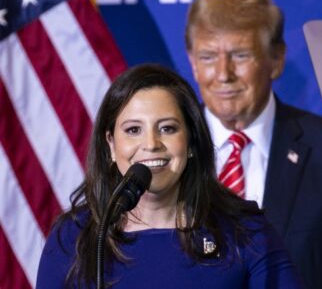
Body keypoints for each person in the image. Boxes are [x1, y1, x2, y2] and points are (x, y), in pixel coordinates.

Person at [185, 0, 322, 289]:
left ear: (276, 59)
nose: (223, 74)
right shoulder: (167, 153)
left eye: (240, 55)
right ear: (193, 62)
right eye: (208, 57)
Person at [36, 64, 304, 288]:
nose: (151, 144)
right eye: (132, 130)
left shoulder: (245, 231)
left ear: (190, 142)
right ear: (110, 145)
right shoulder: (74, 236)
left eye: (167, 128)